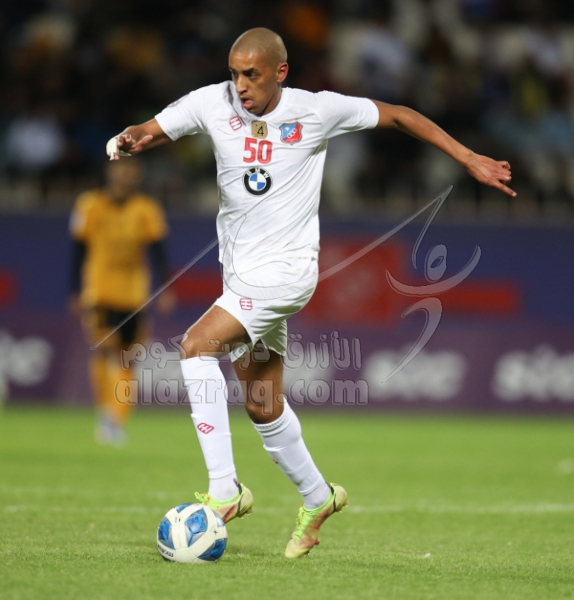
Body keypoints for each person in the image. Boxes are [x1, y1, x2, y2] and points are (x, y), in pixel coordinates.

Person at [106, 28, 515, 557]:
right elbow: (159, 128)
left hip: (286, 273)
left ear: (280, 72)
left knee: (195, 347)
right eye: (234, 73)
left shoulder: (317, 111)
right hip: (241, 274)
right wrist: (134, 136)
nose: (240, 85)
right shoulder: (214, 101)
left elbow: (398, 115)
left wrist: (467, 156)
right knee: (262, 404)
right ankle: (318, 497)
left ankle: (225, 490)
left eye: (251, 75)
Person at [69, 158, 175, 445]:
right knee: (104, 349)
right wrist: (74, 290)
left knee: (128, 357)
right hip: (99, 290)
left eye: (131, 170)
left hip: (134, 293)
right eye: (121, 169)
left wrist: (166, 288)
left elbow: (158, 251)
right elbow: (78, 249)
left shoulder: (146, 208)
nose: (126, 174)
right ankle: (105, 411)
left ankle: (117, 419)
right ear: (110, 171)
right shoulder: (89, 204)